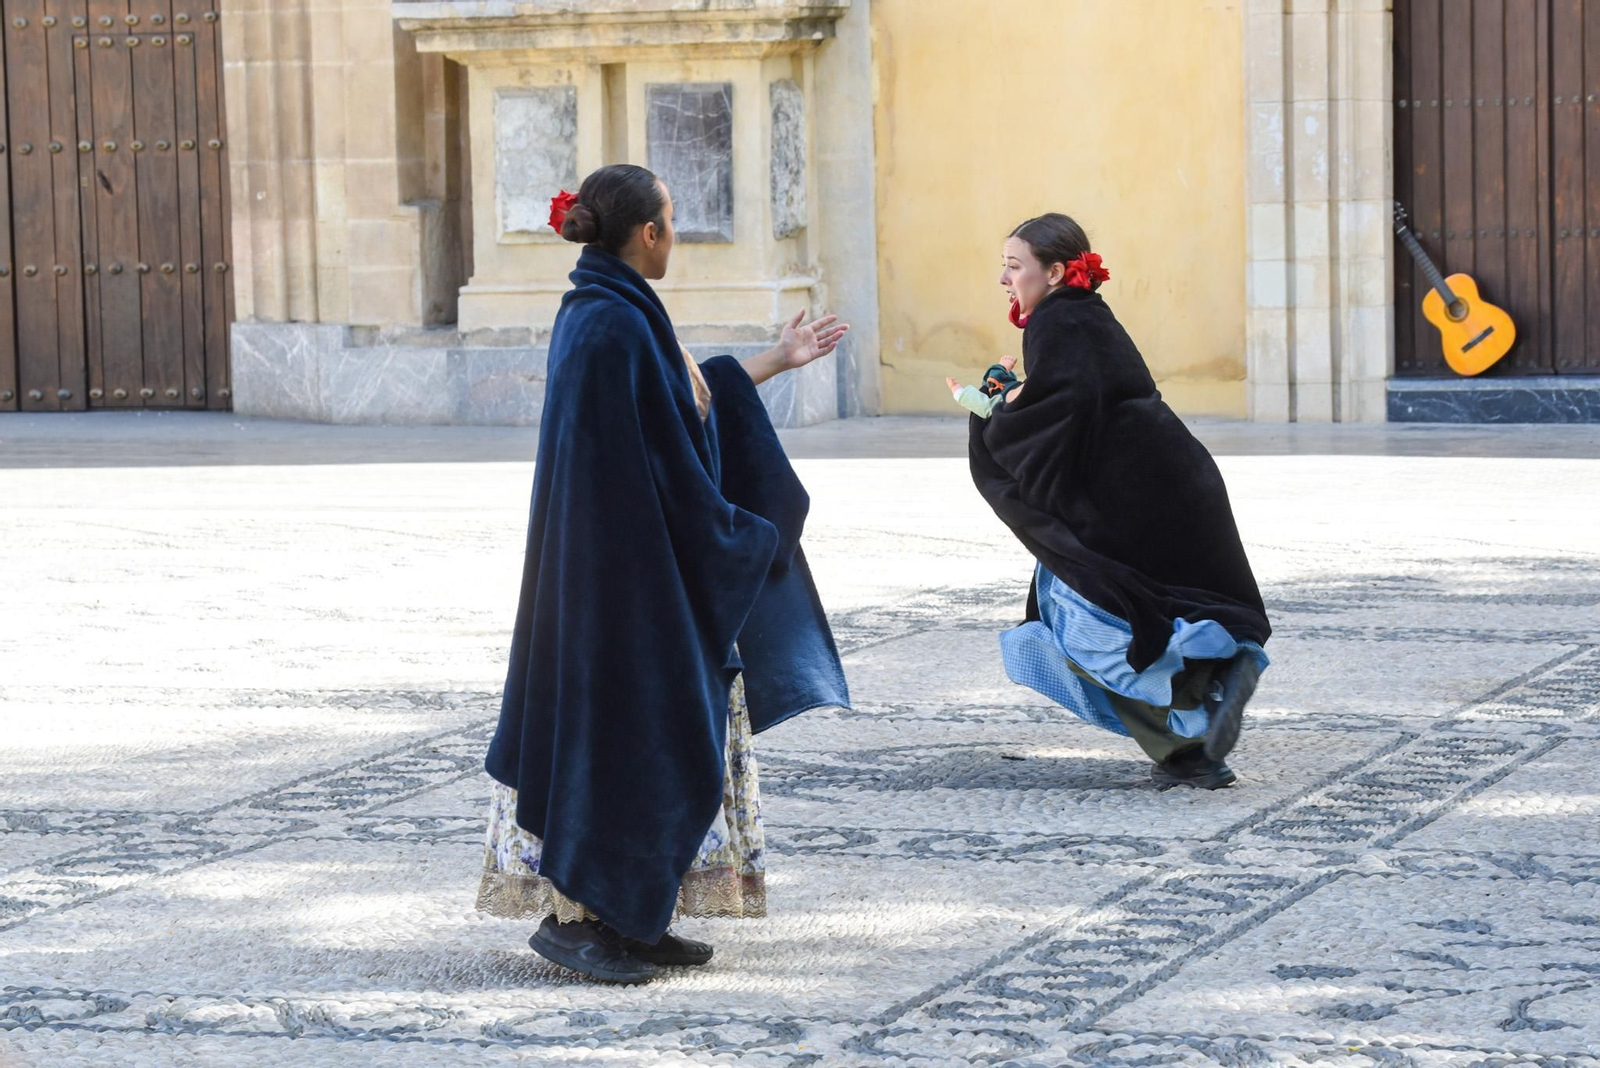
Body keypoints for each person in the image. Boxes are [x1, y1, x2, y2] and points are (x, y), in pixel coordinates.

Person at [477, 164, 850, 983]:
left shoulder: (612, 312)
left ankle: (635, 917)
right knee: (627, 736)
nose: (674, 234)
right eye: (671, 221)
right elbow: (662, 458)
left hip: (623, 576)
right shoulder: (609, 325)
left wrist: (775, 361)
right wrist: (741, 533)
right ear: (647, 233)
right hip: (617, 589)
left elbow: (680, 409)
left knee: (653, 733)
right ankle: (583, 920)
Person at [961, 213, 1271, 790]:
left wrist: (993, 403)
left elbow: (1048, 422)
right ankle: (1217, 679)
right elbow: (1067, 406)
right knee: (1152, 604)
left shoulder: (1057, 325)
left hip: (1132, 499)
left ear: (1054, 272)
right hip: (1167, 486)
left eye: (1013, 266)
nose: (1003, 279)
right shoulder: (1084, 316)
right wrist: (1011, 399)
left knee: (1086, 624)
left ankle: (1190, 743)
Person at [948, 356, 1023, 418]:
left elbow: (987, 408)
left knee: (991, 405)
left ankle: (960, 394)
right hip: (1014, 392)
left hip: (1013, 399)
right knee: (994, 382)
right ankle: (1001, 370)